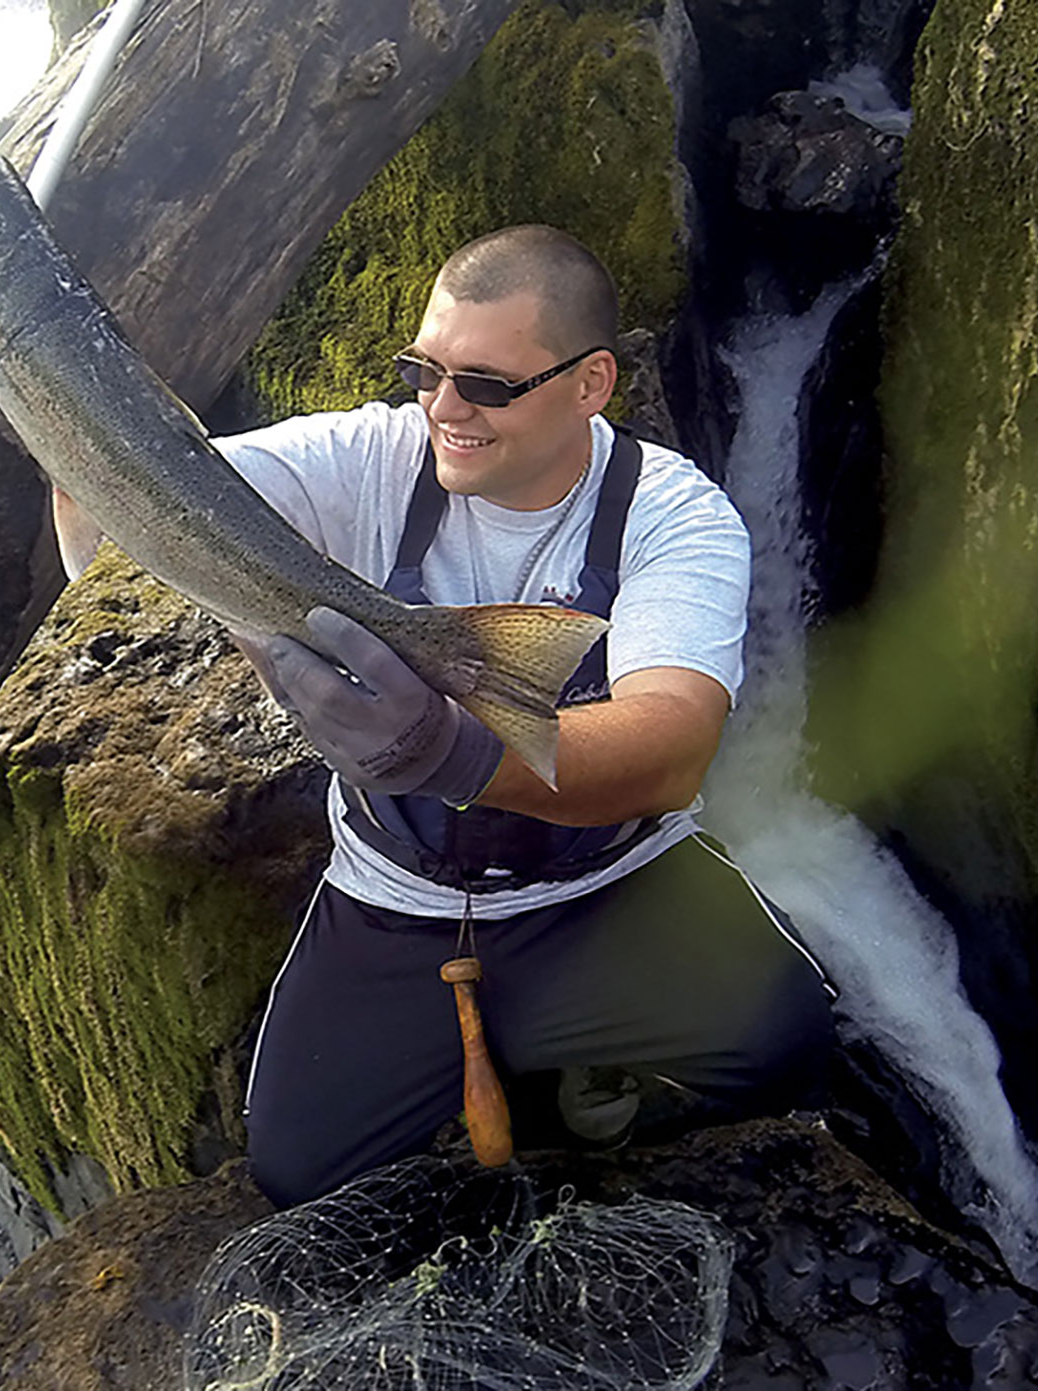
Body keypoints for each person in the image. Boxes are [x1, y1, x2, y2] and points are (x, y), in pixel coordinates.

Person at [218, 225, 836, 1208]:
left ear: (589, 384)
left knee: (790, 1042)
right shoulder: (370, 458)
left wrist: (447, 753)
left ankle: (583, 1055)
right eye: (421, 368)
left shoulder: (671, 513)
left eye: (485, 385)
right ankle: (531, 1050)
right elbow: (152, 503)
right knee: (296, 1173)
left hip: (607, 886)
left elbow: (669, 748)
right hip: (397, 897)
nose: (441, 407)